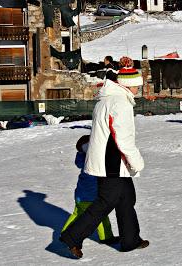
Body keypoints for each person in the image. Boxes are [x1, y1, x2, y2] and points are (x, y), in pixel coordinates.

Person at [60, 57, 149, 259]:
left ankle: (130, 240)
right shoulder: (120, 103)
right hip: (112, 163)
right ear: (129, 85)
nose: (139, 90)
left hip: (111, 161)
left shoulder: (109, 98)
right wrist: (137, 162)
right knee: (104, 202)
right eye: (137, 86)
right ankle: (71, 237)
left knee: (126, 198)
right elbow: (123, 138)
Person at [61, 135, 118, 245]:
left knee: (77, 215)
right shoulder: (93, 165)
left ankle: (65, 234)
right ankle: (106, 237)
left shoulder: (83, 161)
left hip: (80, 195)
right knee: (99, 216)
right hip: (91, 197)